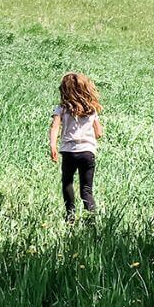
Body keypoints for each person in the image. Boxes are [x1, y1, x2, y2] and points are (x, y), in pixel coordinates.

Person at [49, 72, 103, 222]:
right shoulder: (91, 108)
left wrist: (53, 145)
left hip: (69, 152)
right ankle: (91, 218)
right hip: (87, 152)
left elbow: (54, 127)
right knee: (86, 189)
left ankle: (70, 215)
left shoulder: (61, 109)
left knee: (67, 182)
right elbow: (99, 133)